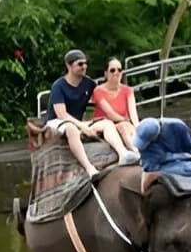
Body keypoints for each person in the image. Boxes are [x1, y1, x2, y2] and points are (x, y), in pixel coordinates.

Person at [27, 49, 138, 177]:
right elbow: (62, 114)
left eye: (85, 63)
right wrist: (82, 126)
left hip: (78, 121)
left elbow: (102, 93)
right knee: (71, 128)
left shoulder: (88, 83)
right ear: (69, 65)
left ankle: (123, 153)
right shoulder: (59, 86)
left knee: (107, 124)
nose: (84, 66)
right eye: (80, 64)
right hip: (57, 121)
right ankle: (89, 168)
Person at [132, 117, 191, 193]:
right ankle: (156, 175)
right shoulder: (147, 146)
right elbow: (160, 158)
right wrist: (189, 157)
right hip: (160, 164)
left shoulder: (177, 126)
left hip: (179, 159)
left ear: (156, 136)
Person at [91, 57, 139, 148]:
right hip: (104, 124)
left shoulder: (128, 90)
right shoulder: (98, 91)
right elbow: (110, 113)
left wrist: (137, 126)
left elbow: (133, 113)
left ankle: (139, 150)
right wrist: (126, 121)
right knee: (124, 127)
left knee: (129, 128)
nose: (116, 72)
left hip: (122, 122)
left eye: (119, 70)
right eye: (112, 70)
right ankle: (135, 150)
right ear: (106, 73)